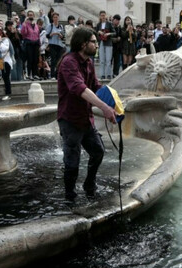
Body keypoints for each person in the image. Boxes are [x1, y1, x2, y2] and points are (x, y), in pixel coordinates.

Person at [56, 27, 116, 201]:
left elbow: (95, 86)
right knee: (72, 162)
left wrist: (114, 100)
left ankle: (89, 184)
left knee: (98, 152)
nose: (97, 45)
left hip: (85, 119)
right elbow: (79, 88)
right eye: (94, 42)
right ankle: (70, 196)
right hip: (70, 120)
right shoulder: (68, 62)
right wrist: (104, 107)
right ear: (83, 44)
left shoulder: (88, 62)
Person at [20, 9, 40, 80]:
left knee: (35, 59)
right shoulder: (25, 24)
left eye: (32, 15)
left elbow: (38, 34)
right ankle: (29, 73)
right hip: (29, 43)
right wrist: (25, 23)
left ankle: (35, 74)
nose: (30, 16)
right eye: (29, 15)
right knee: (30, 59)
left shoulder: (36, 25)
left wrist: (39, 43)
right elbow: (23, 33)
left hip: (36, 43)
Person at [94, 11, 114, 80]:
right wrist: (98, 32)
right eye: (101, 15)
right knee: (102, 60)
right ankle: (102, 74)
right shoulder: (98, 24)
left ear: (106, 16)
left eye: (104, 15)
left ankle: (108, 74)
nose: (103, 17)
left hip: (108, 42)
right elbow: (95, 34)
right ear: (100, 16)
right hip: (101, 42)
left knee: (108, 60)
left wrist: (108, 34)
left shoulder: (109, 24)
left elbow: (114, 33)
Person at [45, 12, 63, 80]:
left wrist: (60, 35)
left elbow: (63, 36)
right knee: (53, 60)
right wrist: (53, 34)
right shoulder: (50, 26)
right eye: (54, 17)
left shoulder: (61, 26)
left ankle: (57, 75)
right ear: (52, 18)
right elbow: (47, 35)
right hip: (52, 44)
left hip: (59, 44)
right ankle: (52, 75)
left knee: (59, 60)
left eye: (57, 17)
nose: (56, 19)